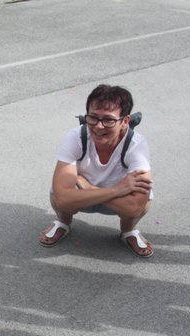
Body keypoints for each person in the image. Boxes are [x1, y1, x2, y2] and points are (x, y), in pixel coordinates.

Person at [38, 84, 154, 257]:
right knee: (57, 195)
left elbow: (134, 207)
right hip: (108, 196)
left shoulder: (136, 144)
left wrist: (90, 188)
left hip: (92, 194)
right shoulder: (76, 136)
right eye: (93, 117)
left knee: (143, 205)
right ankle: (63, 222)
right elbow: (62, 198)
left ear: (125, 121)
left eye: (108, 120)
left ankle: (128, 230)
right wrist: (117, 189)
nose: (99, 126)